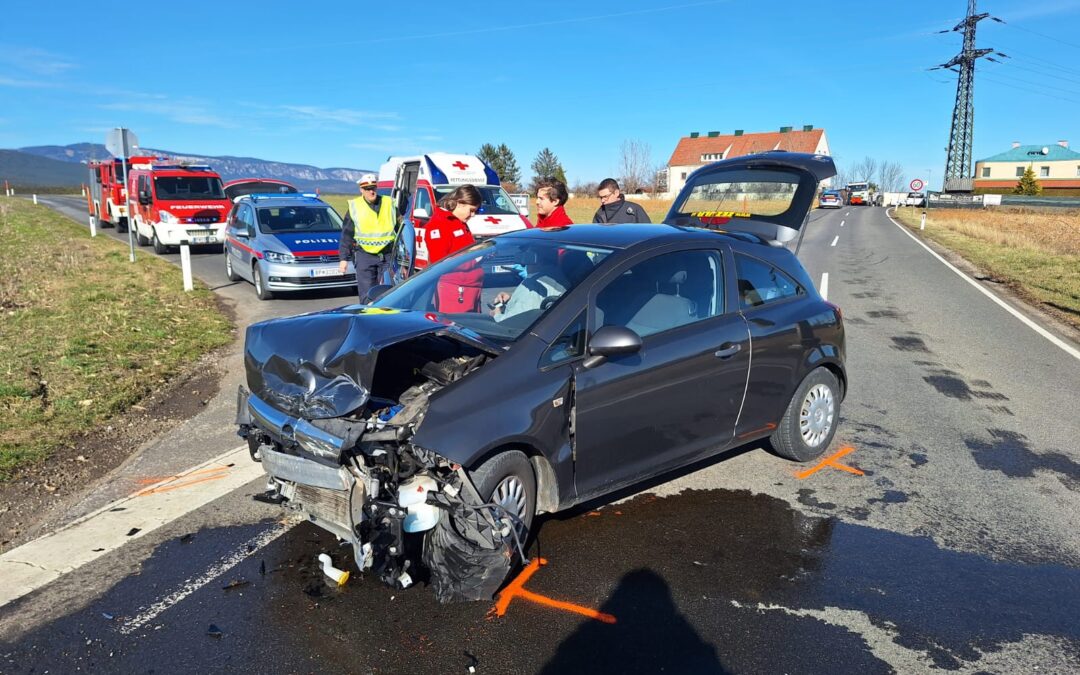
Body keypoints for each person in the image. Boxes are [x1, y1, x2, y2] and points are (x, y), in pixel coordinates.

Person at [424, 185, 484, 313]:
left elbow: (463, 249)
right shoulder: (439, 224)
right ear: (460, 203)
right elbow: (440, 262)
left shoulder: (458, 222)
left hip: (470, 288)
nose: (473, 215)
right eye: (471, 210)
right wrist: (476, 258)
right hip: (455, 290)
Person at [339, 173, 397, 301]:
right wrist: (343, 258)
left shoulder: (389, 203)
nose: (371, 191)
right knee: (367, 295)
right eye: (367, 189)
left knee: (388, 293)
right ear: (361, 190)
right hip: (364, 256)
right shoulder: (355, 206)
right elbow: (347, 234)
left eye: (373, 188)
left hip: (387, 256)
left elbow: (400, 228)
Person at [490, 248, 569, 322]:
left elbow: (510, 323)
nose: (523, 263)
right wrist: (512, 298)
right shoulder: (556, 277)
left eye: (526, 256)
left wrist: (496, 312)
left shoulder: (534, 286)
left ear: (536, 259)